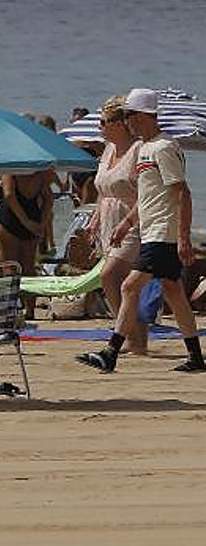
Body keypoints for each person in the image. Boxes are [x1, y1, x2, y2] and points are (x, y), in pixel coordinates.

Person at [78, 88, 203, 373]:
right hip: (151, 230)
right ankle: (196, 357)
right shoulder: (146, 149)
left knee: (128, 286)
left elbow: (182, 193)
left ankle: (111, 352)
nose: (127, 122)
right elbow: (148, 198)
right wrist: (126, 224)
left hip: (162, 231)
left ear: (144, 115)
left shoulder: (163, 147)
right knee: (173, 291)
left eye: (130, 116)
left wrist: (183, 238)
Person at [85, 96, 141, 343]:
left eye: (104, 121)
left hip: (132, 221)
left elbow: (145, 191)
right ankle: (134, 335)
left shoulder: (138, 149)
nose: (100, 126)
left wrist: (127, 222)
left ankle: (126, 334)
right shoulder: (108, 150)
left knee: (109, 276)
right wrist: (95, 218)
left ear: (120, 123)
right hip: (108, 221)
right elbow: (103, 189)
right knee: (124, 284)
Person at [0, 171, 52, 319]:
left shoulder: (12, 166)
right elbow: (49, 199)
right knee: (28, 267)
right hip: (32, 214)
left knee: (9, 267)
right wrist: (42, 224)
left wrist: (25, 221)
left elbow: (9, 195)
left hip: (10, 217)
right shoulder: (41, 170)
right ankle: (30, 310)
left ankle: (11, 311)